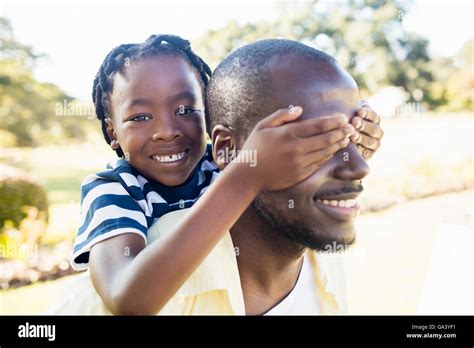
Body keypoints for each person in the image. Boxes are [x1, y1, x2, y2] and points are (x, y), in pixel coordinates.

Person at [62, 34, 375, 315]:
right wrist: (248, 173)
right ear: (111, 131)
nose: (167, 132)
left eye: (186, 110)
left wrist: (348, 141)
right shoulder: (114, 189)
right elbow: (127, 299)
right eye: (141, 116)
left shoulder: (217, 162)